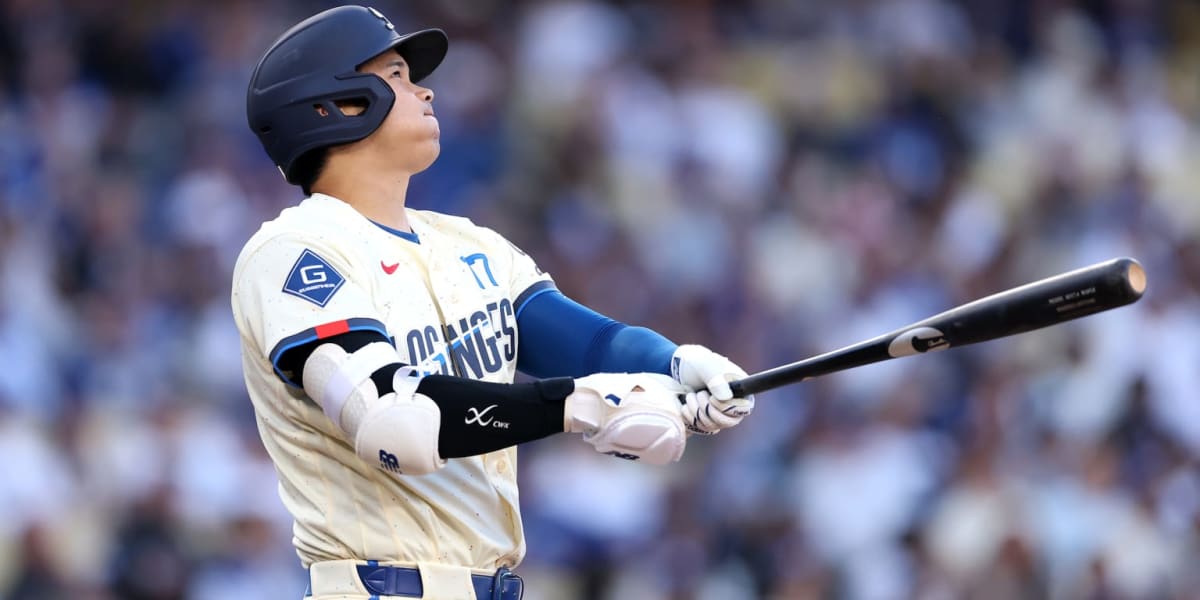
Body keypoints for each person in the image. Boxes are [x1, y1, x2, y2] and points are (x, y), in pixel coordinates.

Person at [232, 5, 756, 599]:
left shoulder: (470, 244)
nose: (424, 91)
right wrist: (583, 405)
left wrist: (675, 365)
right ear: (338, 104)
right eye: (398, 77)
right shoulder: (292, 249)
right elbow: (395, 424)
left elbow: (594, 345)